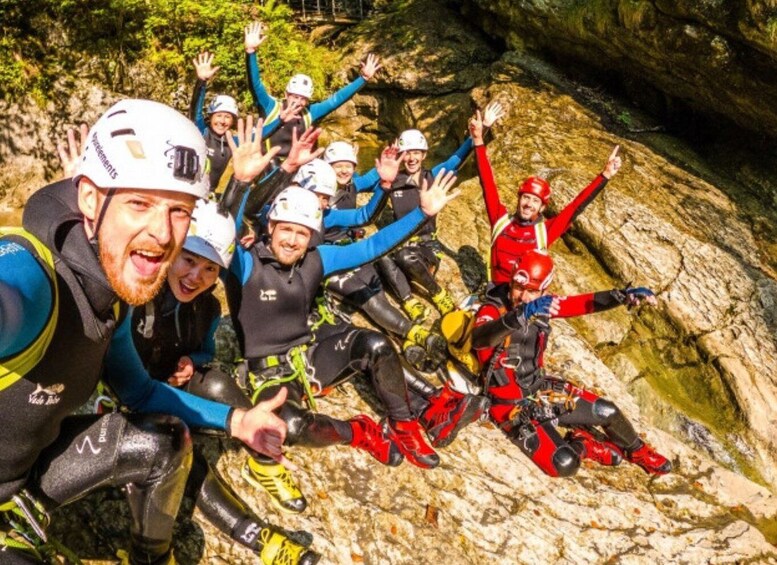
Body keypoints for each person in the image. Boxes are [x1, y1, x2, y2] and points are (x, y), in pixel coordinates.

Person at [0, 99, 301, 564]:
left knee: (166, 442)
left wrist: (237, 421)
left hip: (28, 475)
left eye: (180, 210)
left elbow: (139, 392)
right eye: (140, 203)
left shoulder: (110, 298)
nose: (162, 233)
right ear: (90, 200)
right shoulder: (34, 276)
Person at [222, 115, 463, 475]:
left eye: (302, 233)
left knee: (375, 344)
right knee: (292, 427)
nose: (292, 240)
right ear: (269, 227)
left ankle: (404, 424)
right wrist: (240, 183)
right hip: (268, 373)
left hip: (311, 356)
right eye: (285, 230)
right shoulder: (244, 263)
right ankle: (361, 432)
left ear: (313, 234)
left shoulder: (318, 258)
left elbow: (372, 246)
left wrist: (422, 214)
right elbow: (222, 227)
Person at [470, 250, 672, 477]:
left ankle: (638, 452)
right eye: (519, 289)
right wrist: (520, 316)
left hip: (538, 387)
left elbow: (582, 303)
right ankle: (584, 444)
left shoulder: (542, 306)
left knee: (608, 411)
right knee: (565, 463)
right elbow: (480, 339)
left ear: (544, 289)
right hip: (509, 405)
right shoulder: (492, 308)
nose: (523, 297)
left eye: (532, 291)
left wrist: (622, 296)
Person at [377, 102, 504, 321]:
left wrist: (482, 128)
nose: (411, 158)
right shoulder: (393, 181)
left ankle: (438, 294)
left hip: (427, 248)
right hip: (402, 244)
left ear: (424, 154)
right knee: (382, 255)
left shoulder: (432, 176)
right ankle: (409, 302)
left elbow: (458, 159)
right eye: (407, 153)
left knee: (405, 257)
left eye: (416, 153)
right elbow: (368, 198)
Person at [468, 108, 622, 285]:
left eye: (535, 201)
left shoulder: (545, 231)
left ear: (542, 208)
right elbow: (487, 184)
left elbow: (576, 207)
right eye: (526, 198)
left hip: (523, 301)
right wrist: (478, 140)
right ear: (519, 200)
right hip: (495, 297)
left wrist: (605, 175)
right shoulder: (500, 219)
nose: (528, 204)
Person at [244, 21, 381, 160]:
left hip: (295, 167)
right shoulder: (270, 106)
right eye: (295, 96)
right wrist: (251, 52)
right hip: (266, 166)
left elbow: (336, 99)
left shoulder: (310, 113)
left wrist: (363, 78)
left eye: (303, 98)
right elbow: (255, 85)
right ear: (286, 94)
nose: (298, 102)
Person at [189, 51, 301, 192]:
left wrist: (280, 120)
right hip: (188, 189)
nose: (222, 121)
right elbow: (195, 111)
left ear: (233, 121)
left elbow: (259, 135)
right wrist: (202, 82)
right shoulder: (201, 131)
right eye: (219, 115)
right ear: (210, 117)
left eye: (228, 117)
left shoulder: (232, 142)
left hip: (208, 193)